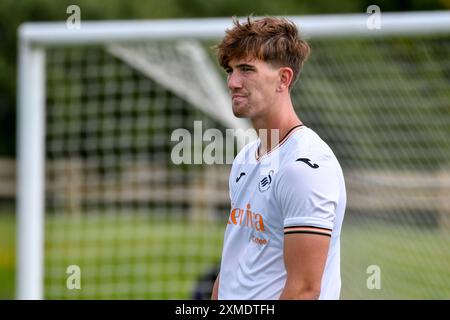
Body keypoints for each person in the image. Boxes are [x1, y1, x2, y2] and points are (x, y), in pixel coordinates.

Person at [211, 16, 346, 300]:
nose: (233, 82)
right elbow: (233, 264)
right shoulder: (247, 157)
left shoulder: (305, 166)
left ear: (283, 79)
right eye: (231, 70)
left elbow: (305, 291)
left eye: (247, 69)